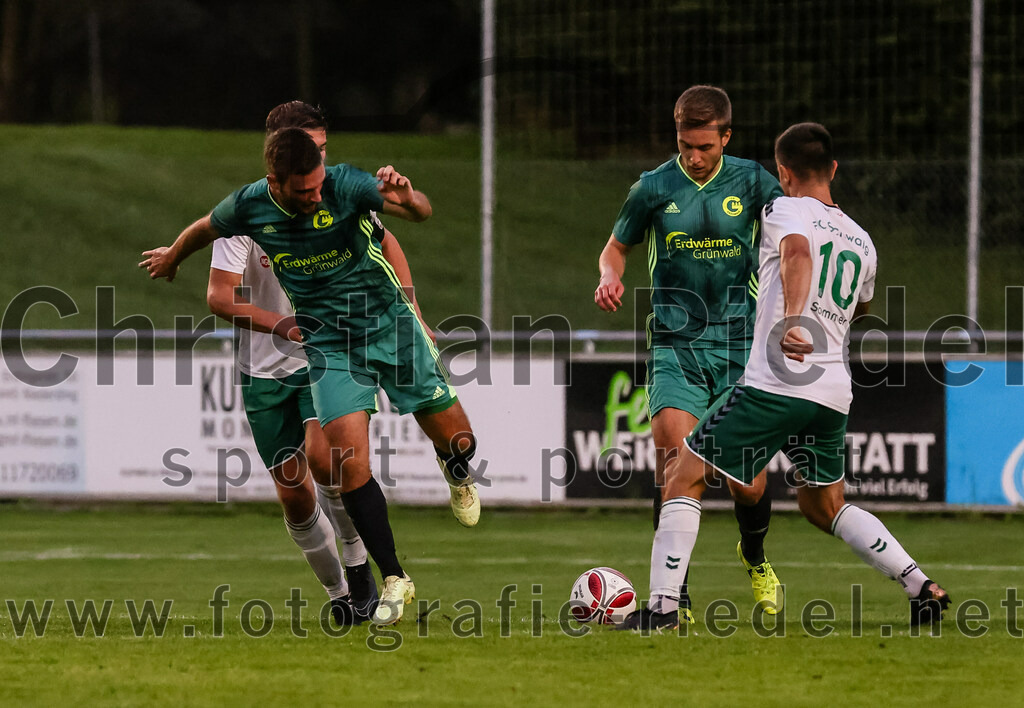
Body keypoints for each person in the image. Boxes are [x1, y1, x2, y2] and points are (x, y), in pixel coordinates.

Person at [141, 127, 480, 626]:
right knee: (343, 462)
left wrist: (409, 198)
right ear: (274, 183)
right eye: (304, 190)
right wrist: (173, 255)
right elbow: (204, 228)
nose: (316, 195)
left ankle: (456, 470)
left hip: (387, 323)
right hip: (329, 344)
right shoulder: (250, 207)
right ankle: (392, 578)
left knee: (459, 439)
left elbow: (417, 215)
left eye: (319, 183)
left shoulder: (345, 185)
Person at [618, 122, 950, 631]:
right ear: (834, 169)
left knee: (682, 474)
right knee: (826, 506)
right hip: (833, 391)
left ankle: (663, 610)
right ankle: (920, 585)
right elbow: (859, 308)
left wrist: (793, 318)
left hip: (775, 382)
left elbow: (797, 253)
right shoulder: (863, 240)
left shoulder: (782, 209)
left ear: (783, 172)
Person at [200, 102, 429, 625]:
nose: (321, 162)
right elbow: (218, 297)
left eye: (324, 150)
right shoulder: (244, 214)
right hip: (263, 367)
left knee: (326, 457)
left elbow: (387, 241)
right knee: (293, 492)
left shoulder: (338, 196)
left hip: (329, 352)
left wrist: (412, 311)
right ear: (277, 161)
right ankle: (341, 595)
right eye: (312, 150)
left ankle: (361, 572)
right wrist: (281, 325)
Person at [595, 85, 785, 622]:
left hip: (739, 348)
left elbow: (792, 240)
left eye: (704, 146)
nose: (693, 156)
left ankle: (755, 558)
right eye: (685, 144)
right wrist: (610, 278)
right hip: (676, 345)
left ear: (726, 136)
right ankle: (671, 597)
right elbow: (615, 248)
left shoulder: (753, 182)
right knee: (676, 463)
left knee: (747, 483)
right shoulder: (653, 187)